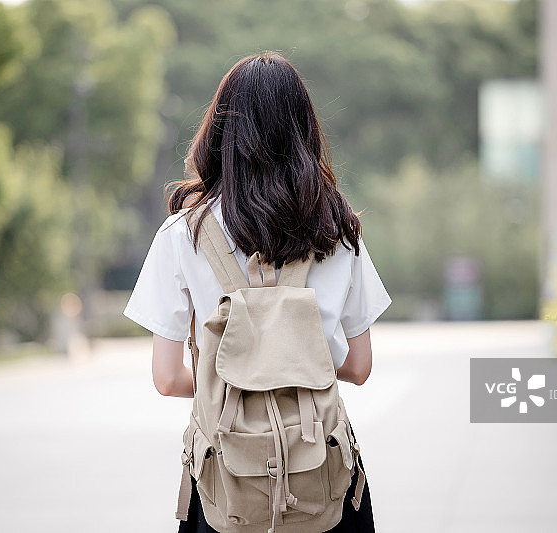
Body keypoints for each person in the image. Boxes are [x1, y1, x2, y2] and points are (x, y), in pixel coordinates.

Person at [123, 52, 391, 532]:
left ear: (221, 133)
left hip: (226, 483)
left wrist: (233, 381)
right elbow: (359, 366)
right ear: (304, 132)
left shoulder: (184, 233)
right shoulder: (337, 228)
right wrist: (296, 367)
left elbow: (166, 378)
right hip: (321, 480)